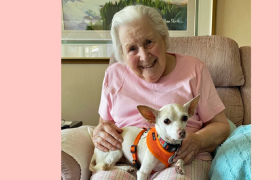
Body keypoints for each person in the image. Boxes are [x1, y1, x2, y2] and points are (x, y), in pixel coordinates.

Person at [91, 4, 230, 180]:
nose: (144, 56)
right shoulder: (114, 74)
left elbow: (222, 126)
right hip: (124, 161)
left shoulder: (194, 69)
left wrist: (197, 141)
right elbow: (104, 126)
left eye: (149, 42)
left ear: (163, 39)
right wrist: (100, 133)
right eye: (132, 49)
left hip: (180, 158)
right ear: (122, 54)